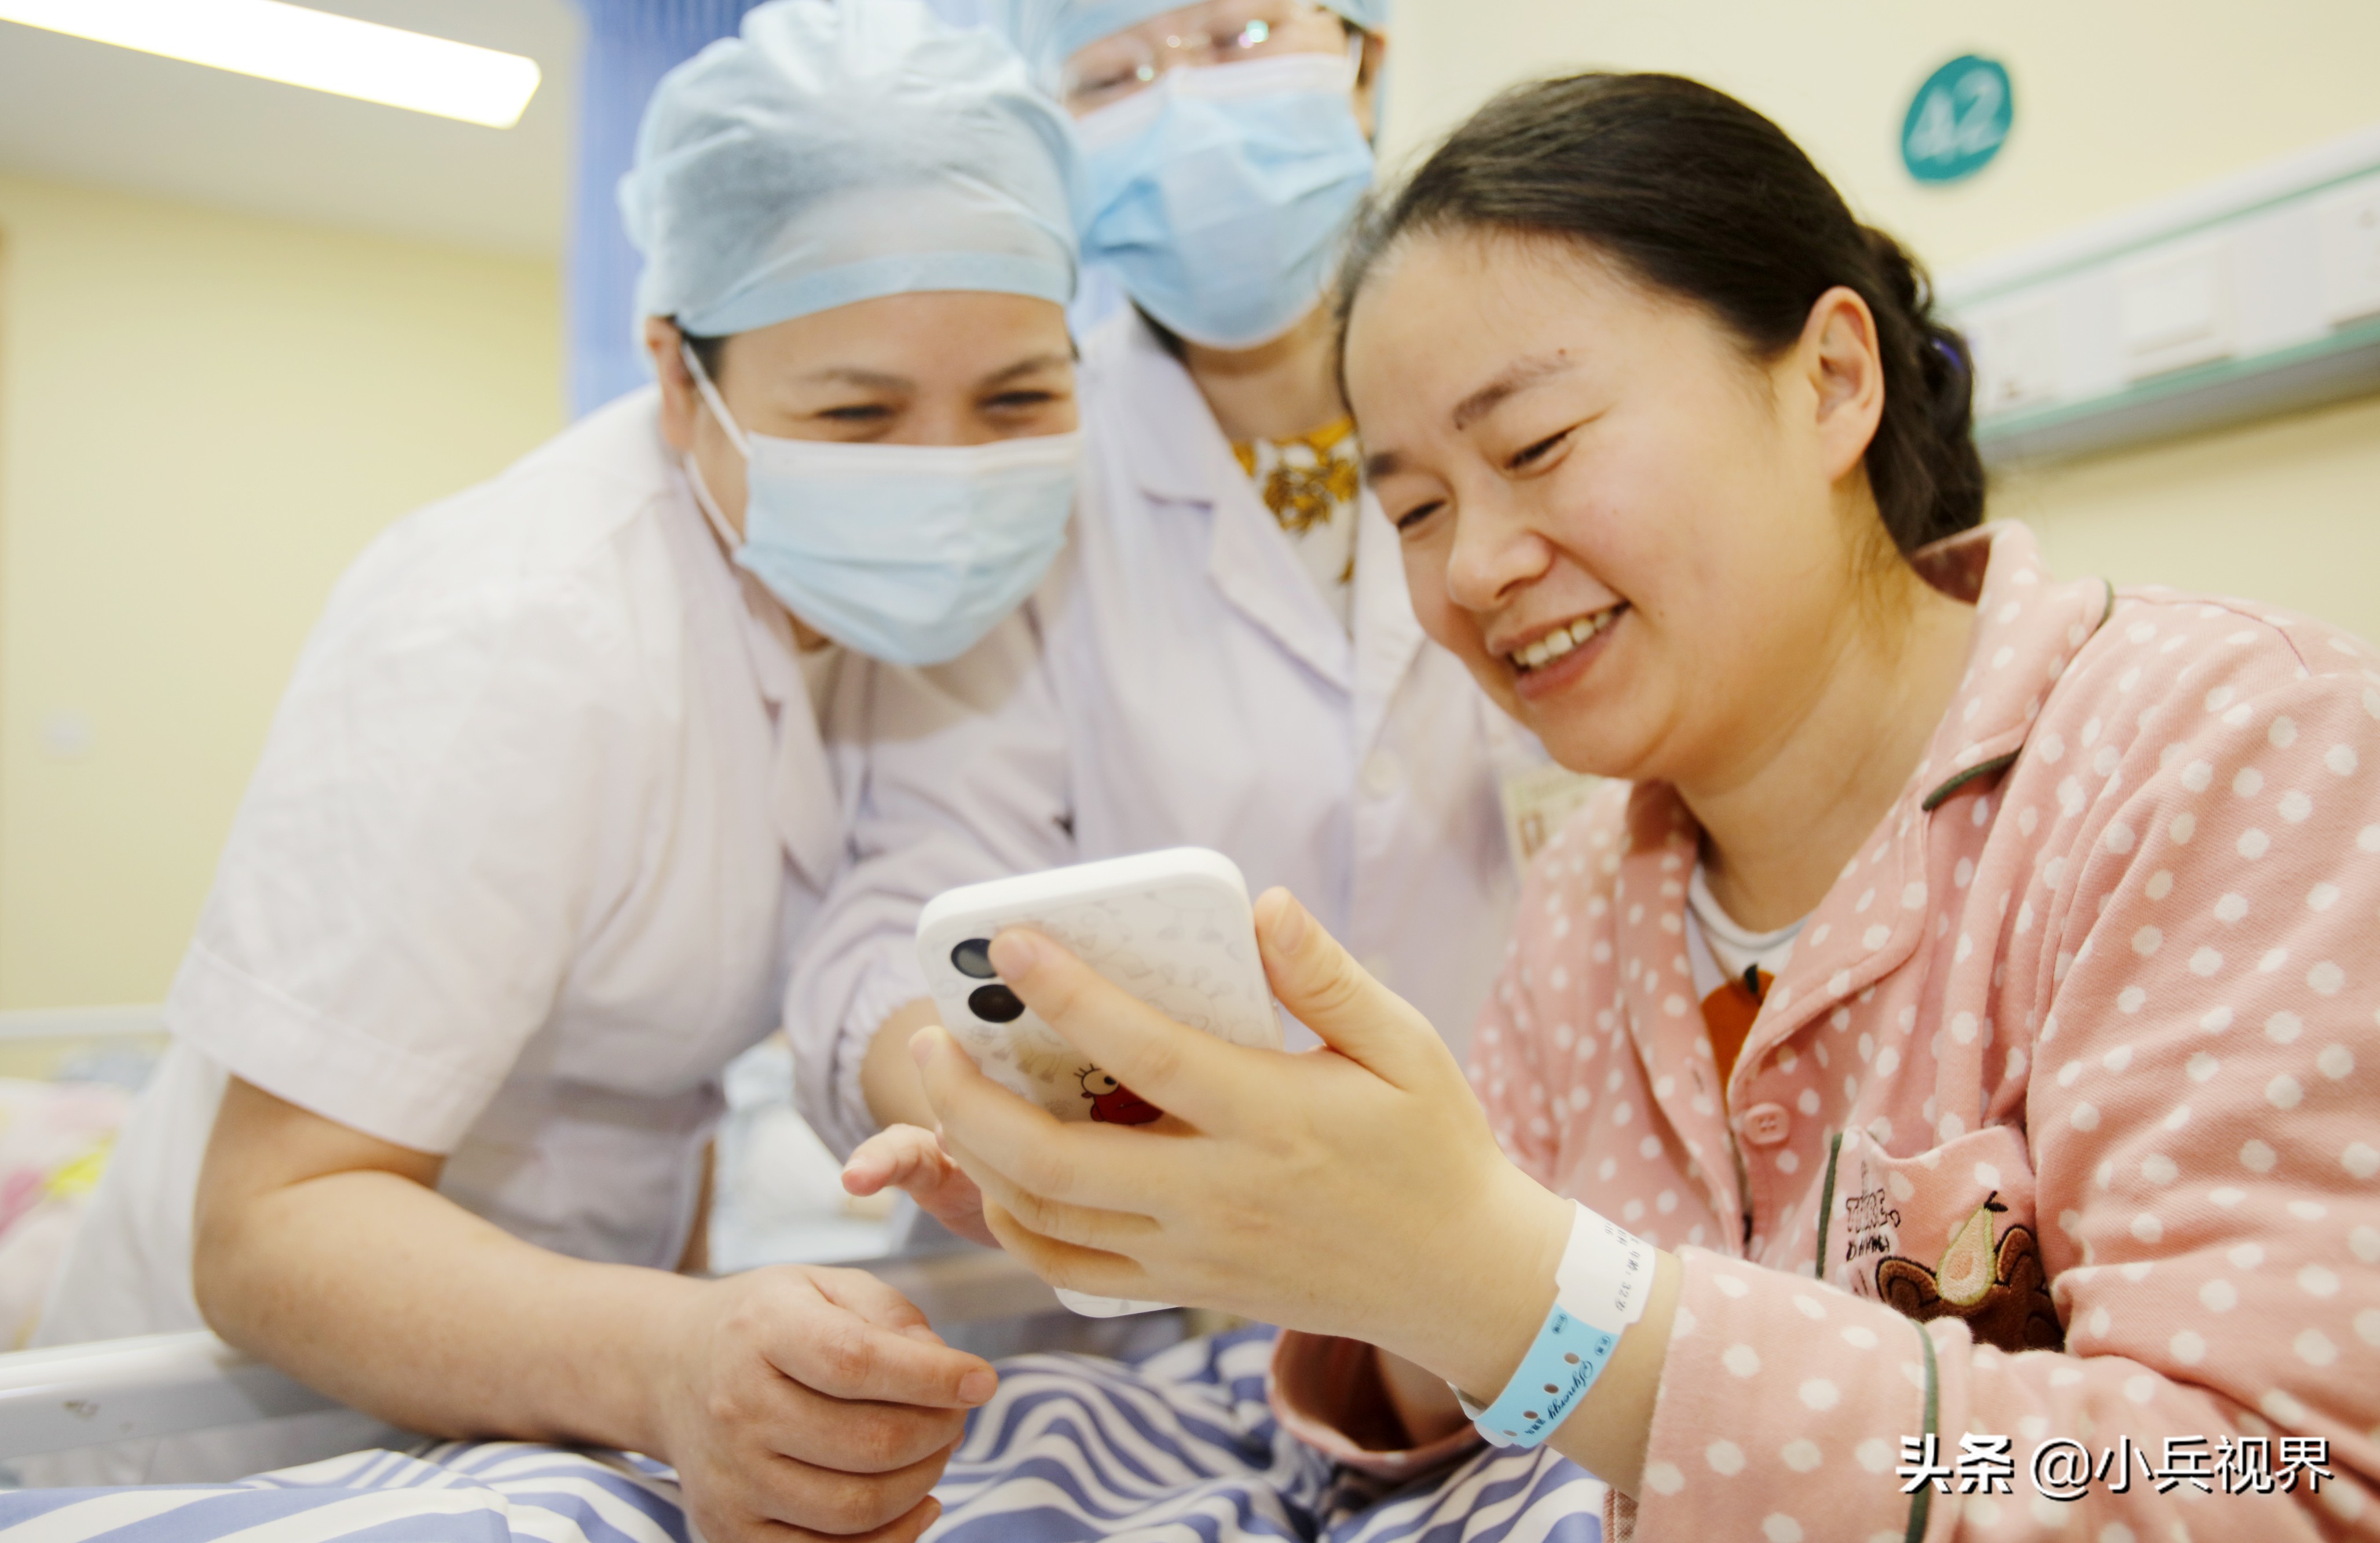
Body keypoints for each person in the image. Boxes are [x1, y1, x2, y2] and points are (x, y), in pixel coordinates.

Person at [901, 73, 2380, 1539]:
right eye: (1412, 509)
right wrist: (1273, 1220)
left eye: (1537, 446)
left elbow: (2268, 1478)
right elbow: (1480, 1371)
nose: (1472, 569)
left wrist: (1528, 1293)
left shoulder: (2230, 757)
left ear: (1832, 383)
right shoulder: (1598, 882)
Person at [31, 5, 1083, 1537]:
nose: (941, 472)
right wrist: (673, 1361)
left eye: (1016, 401)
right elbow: (270, 1229)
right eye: (855, 412)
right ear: (676, 377)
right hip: (246, 1432)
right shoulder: (513, 631)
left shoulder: (897, 630)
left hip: (557, 1402)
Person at [798, 0, 1564, 1226]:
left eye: (1237, 40)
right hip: (1178, 1260)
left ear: (1363, 61)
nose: (1183, 112)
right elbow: (903, 914)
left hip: (1543, 1212)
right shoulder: (1024, 463)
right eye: (1111, 74)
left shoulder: (1535, 390)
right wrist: (967, 1109)